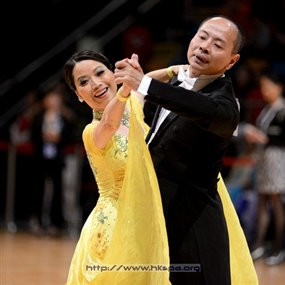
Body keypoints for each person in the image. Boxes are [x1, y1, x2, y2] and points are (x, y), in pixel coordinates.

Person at [115, 15, 258, 285]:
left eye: (217, 44)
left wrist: (144, 84)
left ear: (231, 61)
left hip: (193, 227)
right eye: (202, 37)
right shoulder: (175, 85)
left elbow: (197, 107)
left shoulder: (224, 105)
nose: (204, 46)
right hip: (157, 216)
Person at [63, 50, 170, 285]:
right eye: (84, 82)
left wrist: (182, 70)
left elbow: (149, 79)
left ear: (112, 72)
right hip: (110, 230)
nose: (96, 84)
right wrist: (125, 88)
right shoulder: (92, 132)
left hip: (145, 223)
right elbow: (110, 123)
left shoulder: (133, 106)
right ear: (78, 95)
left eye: (100, 73)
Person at [241, 68, 285, 265]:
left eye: (268, 86)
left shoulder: (283, 109)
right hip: (263, 158)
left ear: (279, 87)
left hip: (277, 159)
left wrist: (264, 138)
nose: (265, 90)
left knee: (276, 203)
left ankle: (279, 249)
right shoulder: (267, 109)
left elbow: (280, 137)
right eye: (263, 86)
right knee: (261, 201)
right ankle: (258, 246)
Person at [30, 86, 75, 236]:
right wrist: (43, 136)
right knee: (39, 190)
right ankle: (37, 221)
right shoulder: (38, 117)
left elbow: (70, 137)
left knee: (57, 191)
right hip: (40, 158)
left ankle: (56, 224)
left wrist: (58, 138)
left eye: (55, 98)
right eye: (49, 98)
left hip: (57, 159)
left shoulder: (64, 118)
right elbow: (32, 136)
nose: (52, 101)